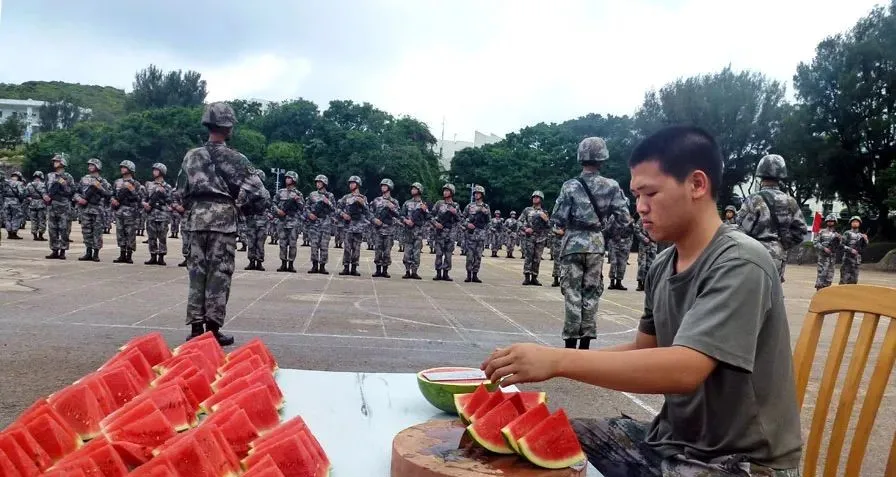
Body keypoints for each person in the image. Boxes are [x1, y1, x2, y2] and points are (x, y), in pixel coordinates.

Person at [484, 126, 802, 476]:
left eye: (650, 193)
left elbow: (685, 369)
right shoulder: (664, 264)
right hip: (673, 443)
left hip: (740, 464)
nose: (641, 208)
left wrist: (558, 361)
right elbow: (643, 348)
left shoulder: (741, 262)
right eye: (636, 195)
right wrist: (547, 361)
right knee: (530, 443)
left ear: (697, 185)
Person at [177, 102, 267, 345]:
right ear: (228, 127)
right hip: (223, 221)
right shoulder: (236, 158)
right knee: (219, 275)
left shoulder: (191, 156)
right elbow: (259, 192)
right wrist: (239, 204)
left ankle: (196, 329)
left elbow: (181, 193)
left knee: (197, 274)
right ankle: (212, 330)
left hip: (196, 220)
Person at [549, 137, 629, 349]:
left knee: (572, 291)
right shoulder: (611, 186)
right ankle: (586, 341)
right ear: (603, 158)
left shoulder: (570, 186)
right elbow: (624, 218)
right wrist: (606, 233)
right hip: (595, 245)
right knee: (592, 291)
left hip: (572, 244)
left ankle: (570, 341)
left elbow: (558, 218)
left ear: (580, 157)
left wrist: (564, 229)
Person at [735, 154, 807, 283]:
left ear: (760, 176)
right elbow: (801, 230)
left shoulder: (753, 199)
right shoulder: (790, 201)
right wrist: (782, 245)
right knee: (773, 294)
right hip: (777, 256)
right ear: (781, 176)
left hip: (753, 253)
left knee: (752, 292)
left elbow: (739, 229)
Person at [74, 158, 112, 262]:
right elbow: (76, 192)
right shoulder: (84, 179)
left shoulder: (103, 181)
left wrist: (100, 187)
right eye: (89, 165)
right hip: (85, 209)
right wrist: (79, 199)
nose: (90, 167)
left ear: (98, 167)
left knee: (97, 232)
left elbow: (109, 195)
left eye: (92, 165)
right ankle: (88, 252)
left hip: (98, 210)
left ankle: (96, 253)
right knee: (86, 231)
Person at [337, 175, 371, 276]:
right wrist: (343, 214)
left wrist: (363, 204)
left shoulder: (363, 198)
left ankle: (354, 268)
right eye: (350, 183)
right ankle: (346, 267)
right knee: (347, 248)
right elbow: (338, 208)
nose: (351, 185)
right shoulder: (346, 197)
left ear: (358, 185)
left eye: (353, 183)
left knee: (356, 249)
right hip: (348, 227)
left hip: (359, 227)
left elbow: (368, 212)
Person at [239, 169, 272, 271]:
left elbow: (268, 204)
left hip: (262, 219)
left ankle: (259, 262)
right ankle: (251, 261)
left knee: (260, 242)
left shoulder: (264, 191)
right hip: (251, 219)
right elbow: (241, 202)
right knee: (251, 241)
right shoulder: (246, 191)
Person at [111, 161, 142, 264]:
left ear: (130, 169)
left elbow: (138, 198)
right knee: (120, 232)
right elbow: (112, 194)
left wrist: (131, 189)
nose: (122, 169)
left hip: (130, 211)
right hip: (119, 211)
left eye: (124, 167)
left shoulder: (136, 183)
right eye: (122, 167)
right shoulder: (117, 182)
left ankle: (129, 255)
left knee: (130, 233)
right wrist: (113, 200)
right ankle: (122, 253)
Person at [274, 171, 305, 273]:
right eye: (286, 178)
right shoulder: (280, 192)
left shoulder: (298, 193)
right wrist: (277, 210)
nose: (287, 179)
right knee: (282, 243)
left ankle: (291, 264)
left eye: (289, 178)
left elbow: (302, 208)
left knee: (292, 244)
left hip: (293, 222)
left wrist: (297, 200)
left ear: (294, 180)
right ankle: (283, 263)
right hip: (282, 221)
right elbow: (273, 203)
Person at [142, 163, 173, 266]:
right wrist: (145, 204)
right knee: (151, 236)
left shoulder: (167, 186)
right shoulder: (149, 185)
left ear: (162, 172)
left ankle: (161, 257)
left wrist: (163, 192)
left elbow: (171, 200)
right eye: (154, 170)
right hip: (151, 214)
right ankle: (153, 256)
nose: (154, 172)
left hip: (162, 214)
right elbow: (144, 197)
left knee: (162, 237)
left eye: (156, 170)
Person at [369, 179, 401, 278]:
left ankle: (385, 270)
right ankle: (378, 270)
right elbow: (369, 212)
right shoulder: (376, 200)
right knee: (378, 250)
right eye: (382, 186)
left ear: (389, 187)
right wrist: (374, 220)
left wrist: (392, 207)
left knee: (387, 251)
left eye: (385, 186)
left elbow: (400, 214)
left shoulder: (394, 201)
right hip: (378, 230)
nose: (383, 187)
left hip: (389, 230)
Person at [305, 175, 336, 274]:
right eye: (317, 182)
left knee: (324, 245)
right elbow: (306, 207)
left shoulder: (330, 195)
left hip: (325, 223)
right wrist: (309, 214)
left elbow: (335, 210)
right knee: (314, 244)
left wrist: (329, 203)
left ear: (324, 184)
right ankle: (314, 265)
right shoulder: (312, 194)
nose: (318, 184)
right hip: (314, 223)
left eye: (320, 182)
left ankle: (322, 266)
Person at [520, 191, 551, 286]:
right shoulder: (527, 210)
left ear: (541, 199)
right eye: (534, 197)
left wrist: (546, 219)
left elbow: (549, 226)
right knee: (528, 257)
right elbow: (519, 222)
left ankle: (534, 277)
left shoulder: (544, 212)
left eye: (537, 197)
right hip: (530, 237)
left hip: (540, 238)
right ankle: (526, 277)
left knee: (537, 258)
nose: (535, 198)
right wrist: (525, 229)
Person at [430, 184, 460, 281]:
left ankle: (446, 273)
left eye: (447, 191)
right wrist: (436, 223)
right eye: (444, 190)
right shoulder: (439, 203)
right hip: (440, 232)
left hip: (450, 233)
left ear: (452, 193)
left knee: (448, 254)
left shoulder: (455, 205)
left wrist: (455, 213)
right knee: (438, 253)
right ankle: (438, 273)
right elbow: (430, 215)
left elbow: (460, 219)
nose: (445, 192)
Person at [400, 182, 429, 279]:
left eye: (415, 189)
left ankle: (414, 271)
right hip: (408, 231)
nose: (412, 190)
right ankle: (407, 271)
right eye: (412, 189)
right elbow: (401, 215)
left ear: (419, 191)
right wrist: (406, 221)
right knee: (407, 252)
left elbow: (428, 217)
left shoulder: (423, 204)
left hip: (418, 232)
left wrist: (425, 211)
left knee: (416, 253)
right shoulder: (407, 203)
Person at [462, 185, 491, 283]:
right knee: (469, 255)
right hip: (471, 234)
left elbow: (489, 221)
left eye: (478, 193)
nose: (476, 195)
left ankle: (475, 274)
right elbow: (461, 218)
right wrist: (467, 224)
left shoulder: (486, 207)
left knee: (478, 255)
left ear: (482, 195)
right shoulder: (470, 206)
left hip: (481, 234)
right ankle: (468, 274)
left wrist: (486, 213)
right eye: (475, 193)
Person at [813, 214, 841, 290]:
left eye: (832, 221)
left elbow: (841, 246)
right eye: (829, 221)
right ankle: (818, 293)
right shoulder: (822, 232)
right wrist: (823, 248)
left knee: (829, 278)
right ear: (826, 222)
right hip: (823, 258)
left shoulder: (837, 234)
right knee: (821, 276)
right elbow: (815, 242)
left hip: (832, 259)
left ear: (835, 222)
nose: (830, 223)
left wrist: (840, 240)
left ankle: (825, 294)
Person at [839, 216, 868, 285]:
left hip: (856, 261)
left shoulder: (861, 235)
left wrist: (866, 240)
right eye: (853, 222)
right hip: (847, 260)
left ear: (859, 224)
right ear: (851, 223)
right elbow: (841, 245)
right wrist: (850, 250)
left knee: (854, 280)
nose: (855, 223)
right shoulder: (847, 233)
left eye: (857, 222)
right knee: (844, 280)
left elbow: (864, 247)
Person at [633, 216, 657, 291]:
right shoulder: (642, 219)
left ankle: (648, 284)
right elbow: (636, 230)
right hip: (644, 244)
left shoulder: (657, 218)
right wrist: (643, 238)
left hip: (653, 244)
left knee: (651, 265)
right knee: (642, 264)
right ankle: (640, 283)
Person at [25, 171, 48, 241]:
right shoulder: (43, 185)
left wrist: (30, 199)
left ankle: (35, 235)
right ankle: (40, 235)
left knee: (33, 220)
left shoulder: (29, 185)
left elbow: (25, 194)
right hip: (41, 203)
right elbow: (46, 195)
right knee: (42, 220)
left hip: (32, 204)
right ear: (41, 177)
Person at [3, 171, 26, 239]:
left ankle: (9, 233)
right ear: (19, 177)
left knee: (7, 218)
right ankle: (14, 233)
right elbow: (21, 193)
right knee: (16, 217)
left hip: (6, 201)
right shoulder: (19, 183)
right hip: (15, 202)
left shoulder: (6, 183)